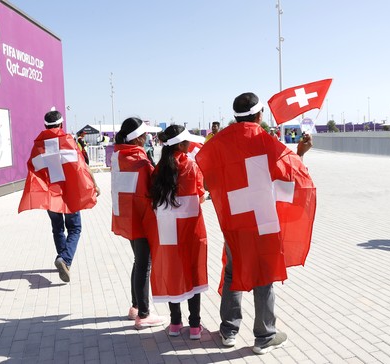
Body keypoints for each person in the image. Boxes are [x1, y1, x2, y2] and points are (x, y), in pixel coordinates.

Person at [195, 92, 316, 355]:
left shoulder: (219, 142)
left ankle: (228, 331)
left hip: (235, 222)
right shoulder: (266, 140)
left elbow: (206, 181)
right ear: (259, 115)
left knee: (231, 272)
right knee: (264, 274)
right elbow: (291, 175)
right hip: (263, 221)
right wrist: (300, 152)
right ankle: (265, 335)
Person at [18, 109, 100, 283]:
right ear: (61, 124)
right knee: (75, 228)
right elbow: (82, 166)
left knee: (57, 227)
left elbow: (33, 168)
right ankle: (65, 259)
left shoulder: (38, 145)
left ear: (45, 125)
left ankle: (62, 257)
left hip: (50, 194)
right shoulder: (69, 141)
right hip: (69, 192)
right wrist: (94, 184)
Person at [147, 125, 208, 340]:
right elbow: (200, 194)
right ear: (182, 145)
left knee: (174, 271)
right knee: (193, 271)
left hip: (166, 231)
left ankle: (174, 323)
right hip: (190, 229)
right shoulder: (191, 165)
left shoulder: (159, 168)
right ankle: (194, 327)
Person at [111, 117, 166, 329]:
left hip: (125, 216)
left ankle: (135, 306)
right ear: (140, 138)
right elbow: (152, 188)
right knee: (144, 264)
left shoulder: (118, 156)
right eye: (146, 135)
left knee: (138, 261)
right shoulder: (141, 162)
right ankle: (143, 314)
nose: (149, 138)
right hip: (140, 219)